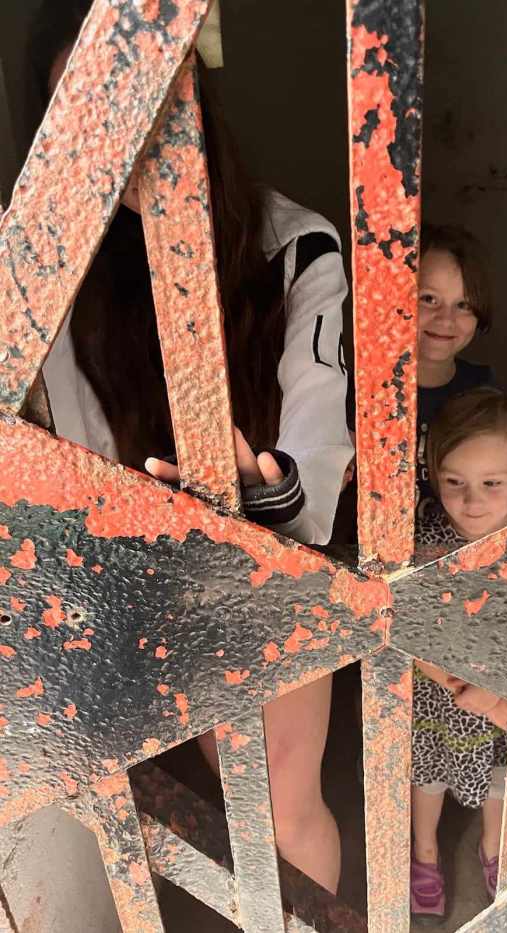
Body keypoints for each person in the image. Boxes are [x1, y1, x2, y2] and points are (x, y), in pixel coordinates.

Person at [32, 0, 353, 894]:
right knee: (196, 789)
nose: (120, 141)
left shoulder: (296, 245)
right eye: (87, 113)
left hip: (274, 561)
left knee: (281, 800)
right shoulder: (48, 272)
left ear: (193, 100)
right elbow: (80, 456)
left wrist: (253, 495)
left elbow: (317, 471)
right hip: (133, 569)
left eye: (141, 102)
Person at [410, 387, 507, 915]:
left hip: (502, 691)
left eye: (492, 483)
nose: (471, 500)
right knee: (427, 776)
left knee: (501, 779)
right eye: (454, 482)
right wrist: (464, 687)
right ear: (433, 474)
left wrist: (502, 698)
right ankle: (425, 853)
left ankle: (493, 848)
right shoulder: (420, 534)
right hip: (437, 693)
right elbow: (402, 627)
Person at [345, 224, 494, 515]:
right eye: (428, 299)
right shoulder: (355, 390)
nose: (446, 318)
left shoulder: (483, 392)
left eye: (463, 304)